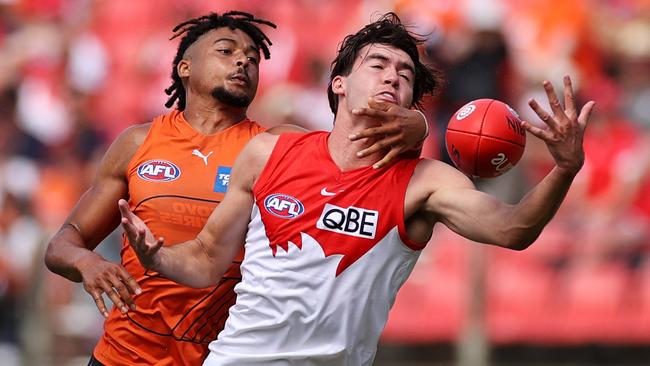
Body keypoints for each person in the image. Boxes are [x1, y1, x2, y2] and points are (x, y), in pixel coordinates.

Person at [120, 12, 595, 366]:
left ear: (411, 102)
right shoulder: (271, 151)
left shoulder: (423, 183)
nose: (392, 75)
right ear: (339, 83)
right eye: (379, 65)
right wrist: (156, 256)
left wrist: (564, 170)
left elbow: (513, 230)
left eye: (405, 75)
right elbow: (206, 258)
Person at [43, 11, 429, 366]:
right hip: (119, 357)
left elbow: (357, 156)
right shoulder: (137, 143)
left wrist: (419, 127)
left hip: (217, 358)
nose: (244, 60)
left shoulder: (277, 148)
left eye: (253, 57)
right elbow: (63, 242)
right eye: (226, 51)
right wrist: (87, 263)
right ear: (185, 67)